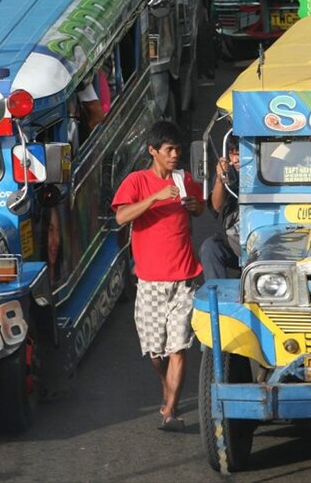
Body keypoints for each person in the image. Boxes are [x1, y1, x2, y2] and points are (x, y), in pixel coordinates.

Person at [111, 120, 204, 430]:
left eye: (178, 149)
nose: (175, 155)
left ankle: (171, 412)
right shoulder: (137, 181)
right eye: (169, 150)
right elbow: (121, 217)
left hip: (185, 277)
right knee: (155, 352)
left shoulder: (185, 179)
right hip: (150, 281)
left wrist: (193, 205)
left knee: (178, 347)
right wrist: (154, 198)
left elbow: (201, 209)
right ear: (153, 151)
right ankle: (168, 390)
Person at [199, 135, 241, 280]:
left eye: (240, 154)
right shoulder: (229, 172)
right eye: (232, 154)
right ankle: (217, 296)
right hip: (235, 240)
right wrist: (220, 179)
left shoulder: (270, 169)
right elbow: (217, 207)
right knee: (210, 248)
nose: (236, 159)